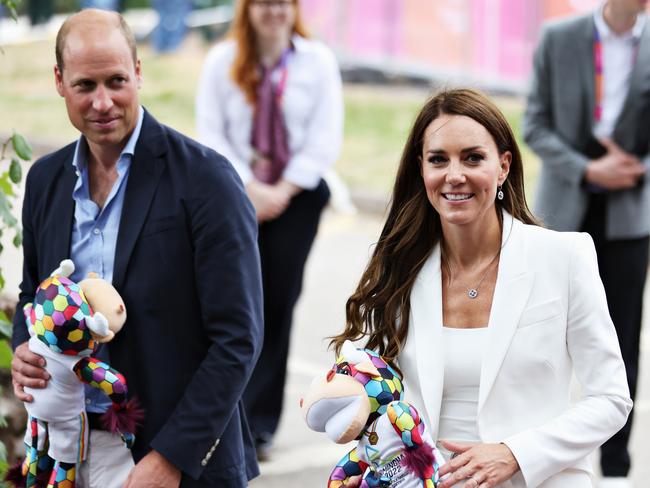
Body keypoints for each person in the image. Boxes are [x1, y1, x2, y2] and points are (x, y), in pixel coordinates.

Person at [10, 9, 263, 488]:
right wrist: (24, 345)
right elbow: (31, 295)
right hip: (67, 450)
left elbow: (238, 339)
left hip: (172, 459)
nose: (103, 102)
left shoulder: (208, 181)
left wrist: (172, 458)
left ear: (139, 72)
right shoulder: (45, 180)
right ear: (59, 82)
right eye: (86, 85)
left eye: (117, 81)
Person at [331, 88, 632, 488]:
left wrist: (514, 453)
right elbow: (376, 389)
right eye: (439, 159)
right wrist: (343, 401)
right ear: (422, 169)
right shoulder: (399, 268)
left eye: (473, 157)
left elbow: (611, 400)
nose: (455, 175)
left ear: (503, 166)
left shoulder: (564, 256)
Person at [196, 0, 343, 458]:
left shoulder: (316, 62)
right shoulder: (223, 61)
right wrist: (249, 187)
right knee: (232, 306)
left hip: (295, 198)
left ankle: (258, 424)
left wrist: (282, 188)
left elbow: (325, 136)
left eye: (282, 3)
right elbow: (211, 132)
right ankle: (221, 415)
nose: (274, 11)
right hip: (235, 194)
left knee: (276, 307)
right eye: (264, 2)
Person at [523, 1, 649, 485]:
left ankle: (615, 468)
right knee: (541, 337)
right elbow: (534, 124)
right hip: (564, 209)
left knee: (622, 341)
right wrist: (588, 169)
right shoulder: (560, 38)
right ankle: (539, 454)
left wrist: (634, 171)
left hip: (630, 213)